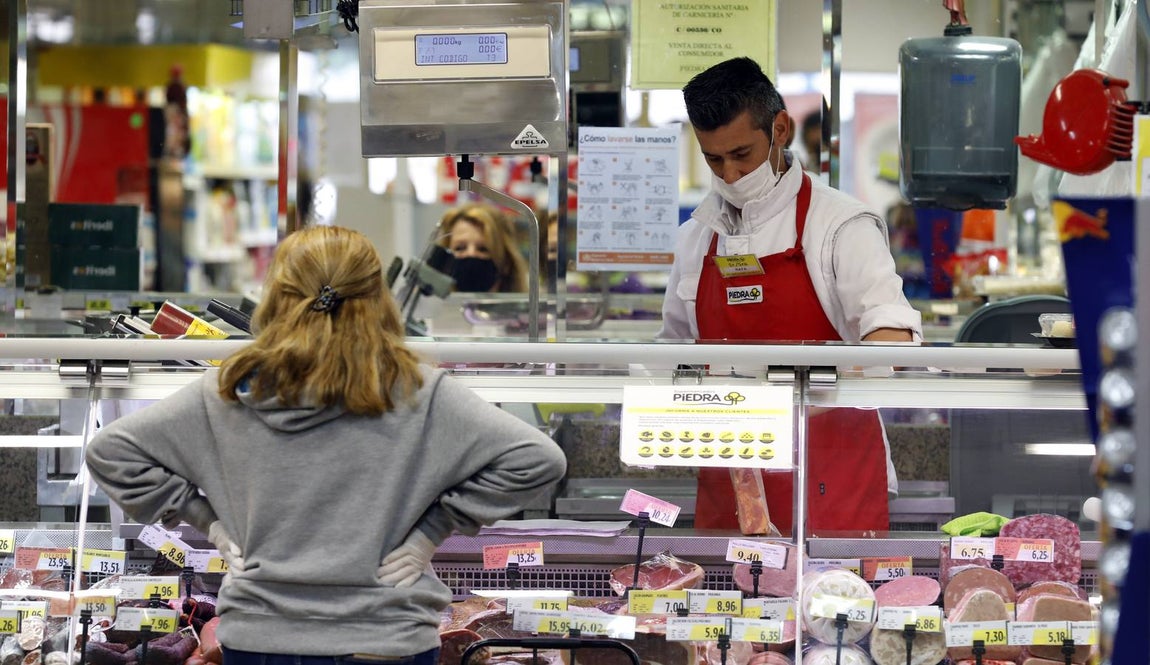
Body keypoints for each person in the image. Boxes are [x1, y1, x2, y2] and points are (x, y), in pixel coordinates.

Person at [85, 226, 567, 665]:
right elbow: (539, 460)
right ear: (378, 298)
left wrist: (207, 523)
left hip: (260, 638)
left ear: (275, 295)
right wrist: (431, 534)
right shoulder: (419, 389)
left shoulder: (227, 389)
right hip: (385, 638)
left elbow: (110, 452)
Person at [659, 57, 922, 535]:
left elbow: (891, 337)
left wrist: (800, 398)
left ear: (779, 129)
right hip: (731, 470)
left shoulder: (841, 224)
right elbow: (673, 351)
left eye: (742, 153)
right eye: (714, 159)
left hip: (830, 468)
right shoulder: (697, 237)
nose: (732, 175)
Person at [438, 204, 529, 293]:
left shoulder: (529, 307)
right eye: (460, 248)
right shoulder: (430, 307)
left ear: (507, 262)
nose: (471, 254)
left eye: (483, 249)